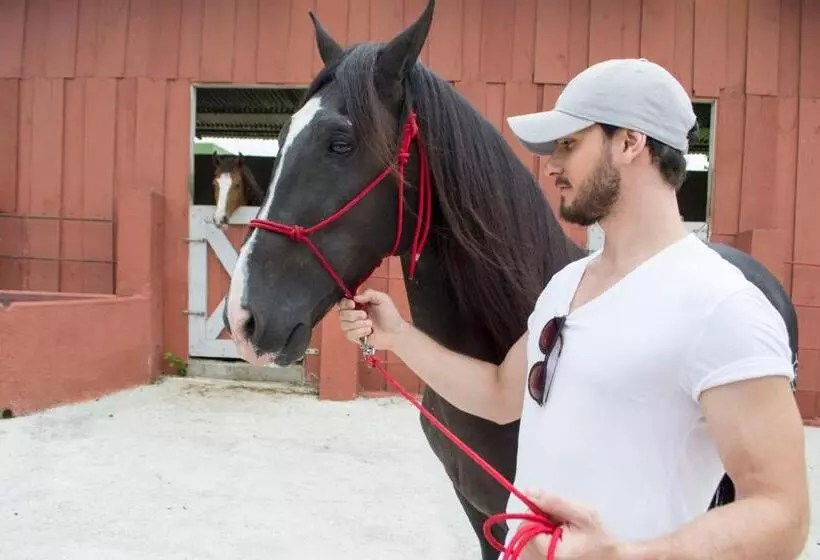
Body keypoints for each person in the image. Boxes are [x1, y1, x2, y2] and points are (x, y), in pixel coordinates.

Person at [337, 58, 809, 559]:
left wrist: (627, 556)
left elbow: (784, 514)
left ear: (630, 142)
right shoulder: (566, 285)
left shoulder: (722, 306)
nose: (552, 165)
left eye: (569, 144)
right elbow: (499, 394)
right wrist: (398, 336)